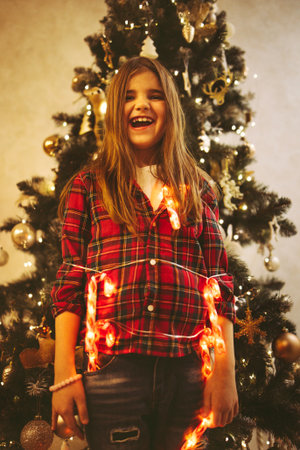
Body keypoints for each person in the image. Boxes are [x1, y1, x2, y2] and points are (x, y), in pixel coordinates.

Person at [51, 56, 238, 450]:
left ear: (170, 109)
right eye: (130, 97)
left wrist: (225, 372)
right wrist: (65, 376)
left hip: (190, 372)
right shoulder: (88, 186)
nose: (142, 105)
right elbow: (70, 281)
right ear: (116, 111)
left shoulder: (199, 189)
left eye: (155, 96)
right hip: (112, 373)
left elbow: (218, 283)